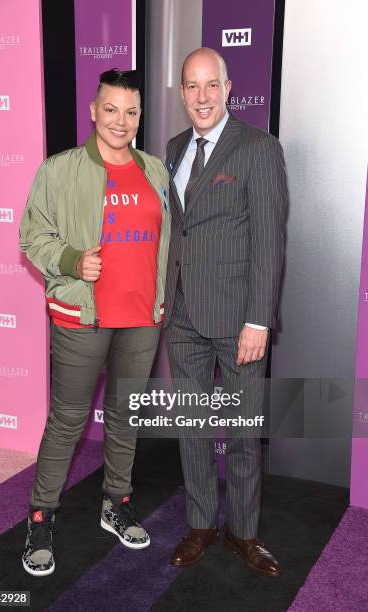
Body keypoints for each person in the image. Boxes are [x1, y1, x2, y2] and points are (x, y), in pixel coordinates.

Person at [19, 69, 170, 576]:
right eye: (111, 109)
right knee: (67, 422)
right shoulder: (59, 170)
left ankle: (117, 503)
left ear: (139, 116)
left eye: (131, 112)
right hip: (82, 317)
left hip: (141, 321)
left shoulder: (155, 172)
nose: (120, 121)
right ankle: (41, 516)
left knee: (126, 419)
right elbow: (31, 236)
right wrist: (70, 260)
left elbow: (168, 243)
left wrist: (162, 299)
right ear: (93, 111)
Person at [164, 48, 288, 575]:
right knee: (192, 427)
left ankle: (243, 533)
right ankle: (200, 524)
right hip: (183, 316)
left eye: (210, 85)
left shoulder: (258, 148)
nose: (201, 97)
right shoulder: (172, 148)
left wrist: (259, 319)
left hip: (239, 320)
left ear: (229, 88)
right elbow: (176, 230)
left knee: (241, 430)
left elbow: (269, 240)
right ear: (182, 93)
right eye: (191, 87)